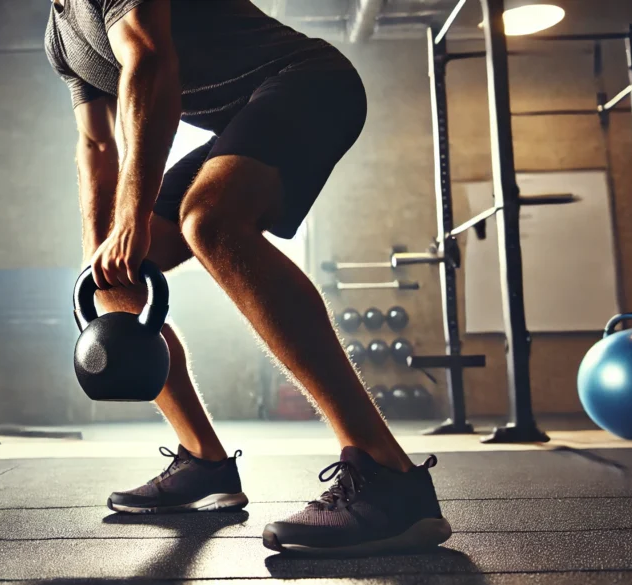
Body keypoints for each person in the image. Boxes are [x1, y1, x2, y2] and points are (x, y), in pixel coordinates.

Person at [45, 0, 452, 555]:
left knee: (211, 222)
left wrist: (132, 218)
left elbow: (150, 62)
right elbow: (96, 145)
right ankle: (204, 462)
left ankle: (387, 476)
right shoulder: (59, 35)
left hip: (310, 83)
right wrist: (103, 260)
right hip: (243, 120)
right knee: (116, 278)